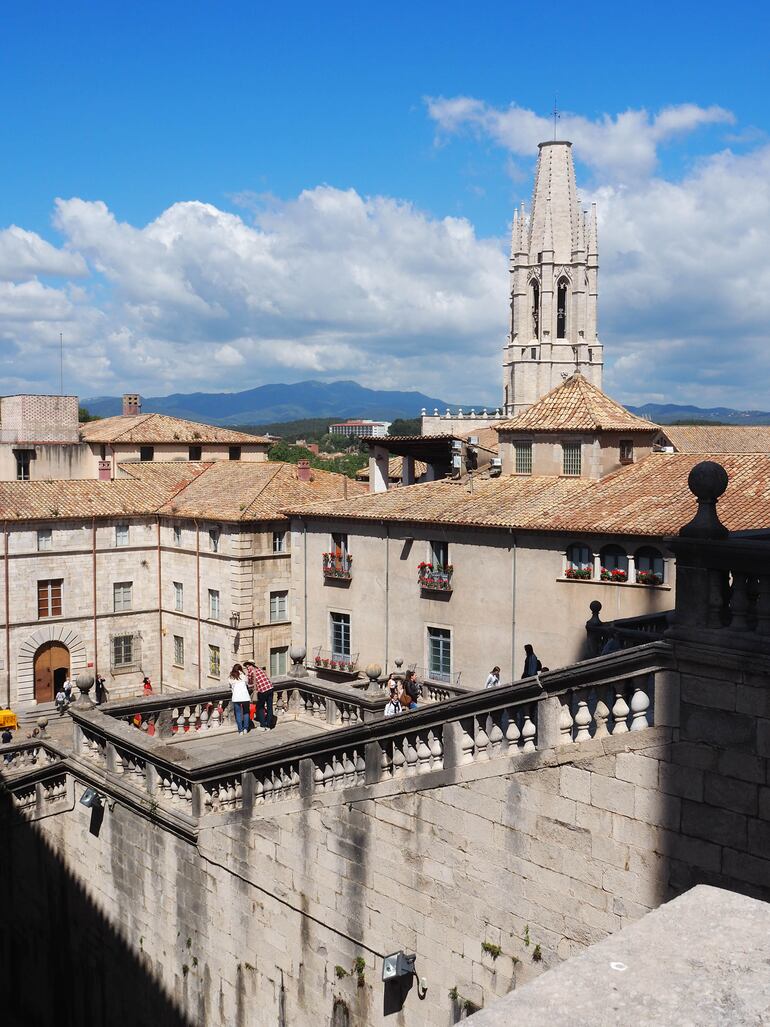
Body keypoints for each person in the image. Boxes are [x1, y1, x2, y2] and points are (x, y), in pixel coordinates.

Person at [248, 662, 275, 730]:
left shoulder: (250, 671)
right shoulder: (259, 669)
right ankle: (269, 725)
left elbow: (249, 683)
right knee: (269, 707)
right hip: (270, 688)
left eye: (247, 666)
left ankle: (263, 725)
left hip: (263, 691)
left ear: (250, 666)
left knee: (260, 707)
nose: (247, 668)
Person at [229, 664, 251, 734]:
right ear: (241, 669)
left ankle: (240, 730)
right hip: (245, 697)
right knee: (246, 712)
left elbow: (230, 686)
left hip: (236, 697)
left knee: (238, 714)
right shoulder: (244, 676)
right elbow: (247, 684)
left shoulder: (231, 677)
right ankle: (246, 728)